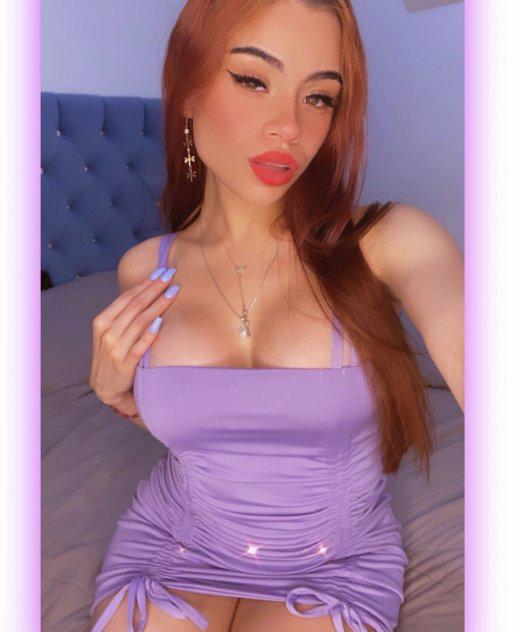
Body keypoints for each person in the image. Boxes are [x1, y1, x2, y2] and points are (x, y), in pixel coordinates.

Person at [88, 0, 464, 630]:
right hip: (171, 544)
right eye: (253, 80)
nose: (289, 127)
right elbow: (208, 426)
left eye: (318, 97)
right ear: (187, 91)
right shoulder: (142, 269)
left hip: (334, 564)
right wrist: (113, 392)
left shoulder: (389, 242)